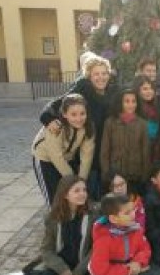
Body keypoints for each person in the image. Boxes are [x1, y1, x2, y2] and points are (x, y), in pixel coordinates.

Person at [0, 175, 96, 275]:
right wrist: (61, 269)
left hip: (83, 262)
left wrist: (80, 270)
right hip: (61, 261)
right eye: (77, 191)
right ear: (65, 195)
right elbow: (46, 249)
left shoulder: (93, 215)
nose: (82, 194)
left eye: (84, 190)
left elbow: (96, 248)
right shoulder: (53, 218)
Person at [39, 56, 116, 199]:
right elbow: (57, 105)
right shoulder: (82, 89)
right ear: (89, 76)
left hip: (101, 150)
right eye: (96, 74)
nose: (101, 77)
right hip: (80, 151)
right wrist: (47, 119)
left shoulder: (112, 92)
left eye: (104, 73)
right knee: (75, 196)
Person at [89, 193, 154, 275]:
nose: (133, 215)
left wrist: (138, 262)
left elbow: (145, 249)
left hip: (128, 270)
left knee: (147, 274)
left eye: (132, 210)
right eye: (127, 213)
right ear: (113, 219)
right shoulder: (103, 240)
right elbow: (100, 272)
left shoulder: (135, 228)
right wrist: (129, 269)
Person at [32, 94, 95, 205]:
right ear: (65, 114)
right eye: (73, 115)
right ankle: (53, 219)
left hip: (67, 157)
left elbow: (87, 156)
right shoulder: (56, 126)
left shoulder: (89, 127)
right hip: (45, 158)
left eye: (82, 114)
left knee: (72, 196)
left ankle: (70, 220)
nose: (79, 118)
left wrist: (80, 181)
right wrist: (71, 179)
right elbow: (55, 156)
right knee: (54, 197)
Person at [100, 87, 150, 195]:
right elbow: (105, 150)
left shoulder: (143, 124)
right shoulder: (110, 122)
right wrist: (107, 174)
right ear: (120, 103)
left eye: (133, 101)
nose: (131, 104)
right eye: (127, 101)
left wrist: (145, 175)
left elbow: (145, 151)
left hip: (135, 175)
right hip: (116, 174)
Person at [134, 75, 160, 142]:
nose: (149, 91)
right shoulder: (134, 109)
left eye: (151, 88)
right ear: (137, 90)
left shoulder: (158, 106)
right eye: (145, 89)